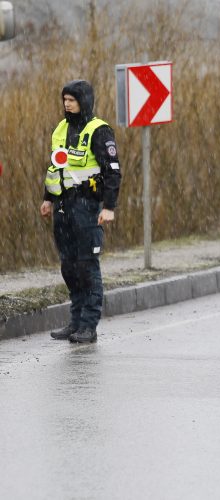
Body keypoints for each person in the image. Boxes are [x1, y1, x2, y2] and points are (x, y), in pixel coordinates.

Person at [40, 80, 121, 343]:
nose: (67, 104)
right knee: (69, 267)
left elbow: (112, 172)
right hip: (63, 207)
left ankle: (89, 325)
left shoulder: (99, 131)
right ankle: (75, 322)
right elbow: (56, 169)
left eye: (72, 100)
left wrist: (109, 207)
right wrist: (48, 199)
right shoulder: (60, 129)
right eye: (64, 99)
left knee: (87, 267)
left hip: (87, 206)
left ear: (83, 100)